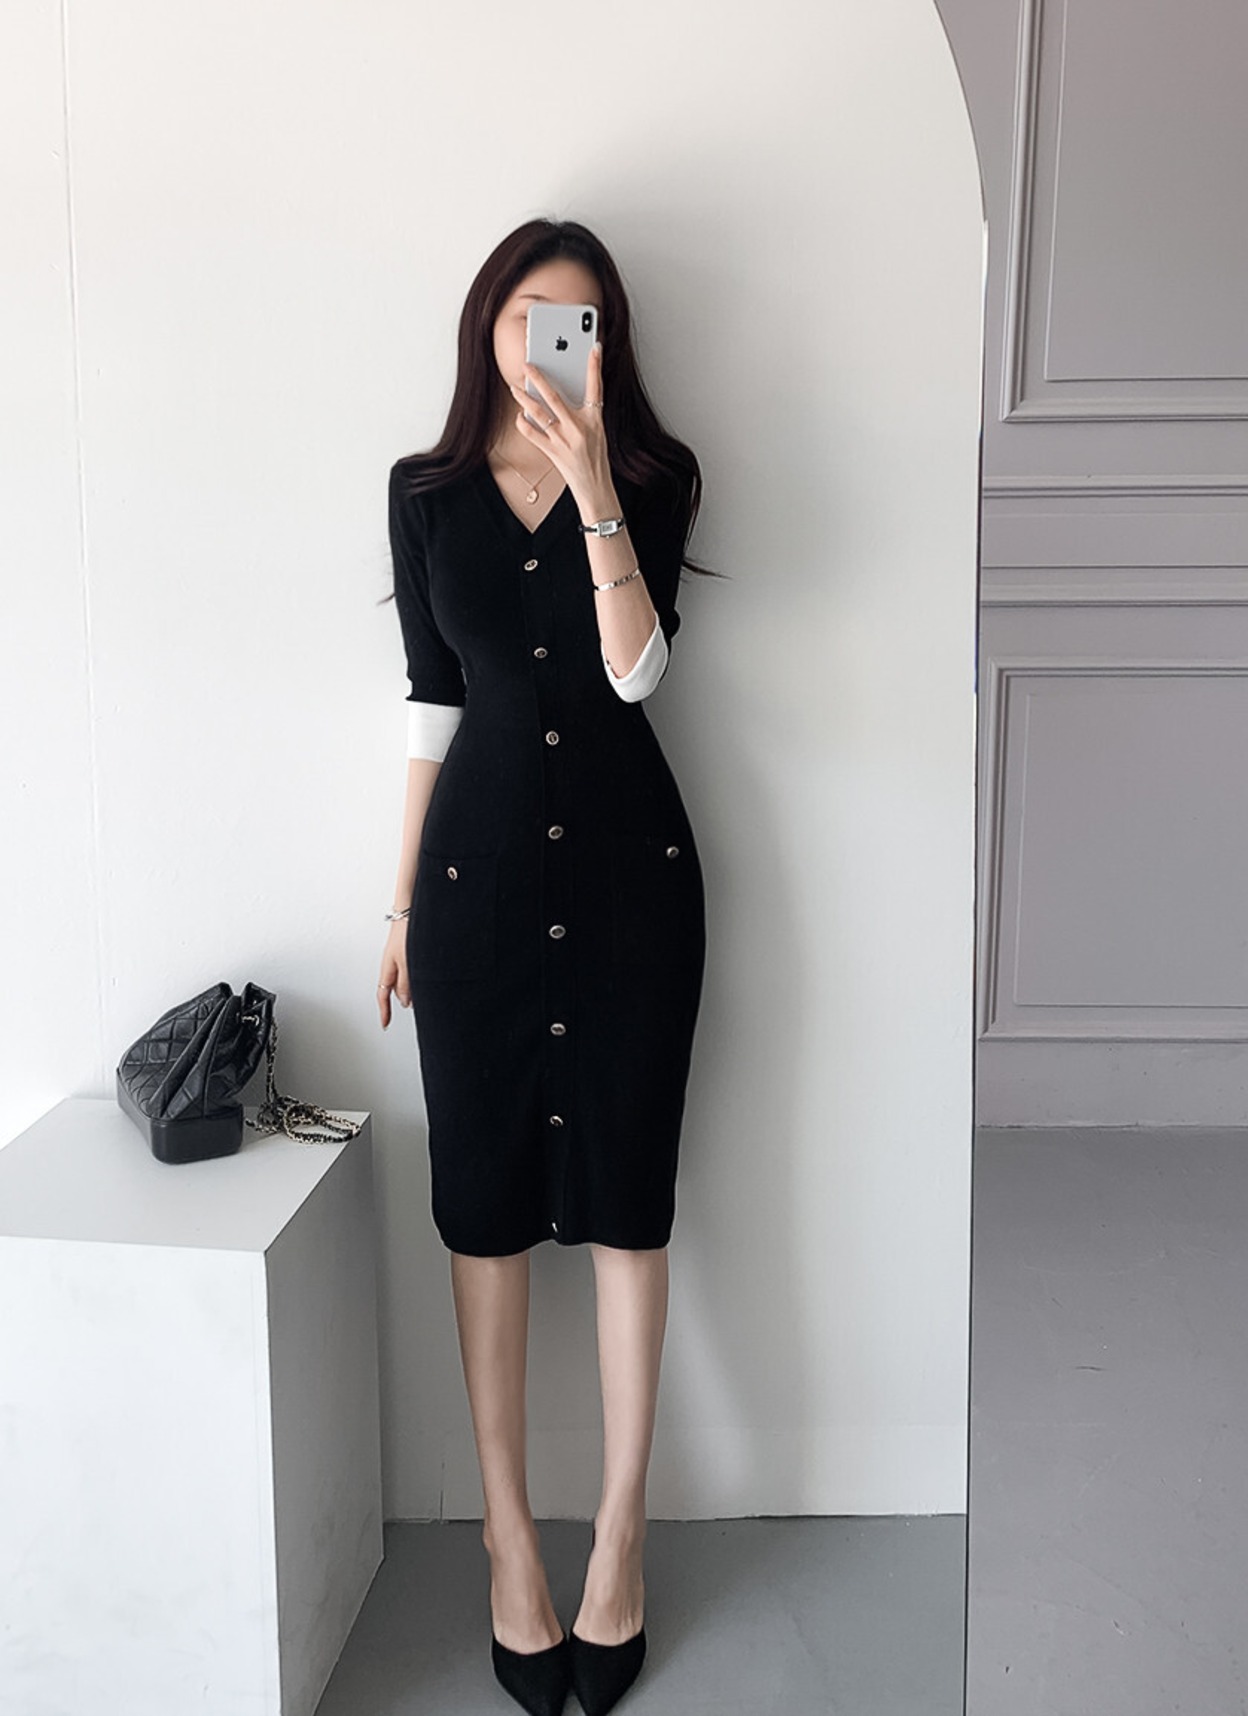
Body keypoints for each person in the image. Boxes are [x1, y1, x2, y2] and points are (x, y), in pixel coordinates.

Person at [376, 218, 713, 1716]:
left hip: (634, 891)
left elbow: (637, 673)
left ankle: (620, 1537)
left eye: (580, 321)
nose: (550, 343)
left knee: (630, 1205)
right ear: (487, 326)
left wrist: (592, 495)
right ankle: (510, 1541)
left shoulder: (654, 477)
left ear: (607, 344)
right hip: (473, 896)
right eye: (527, 314)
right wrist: (398, 910)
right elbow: (429, 705)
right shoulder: (425, 493)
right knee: (485, 1212)